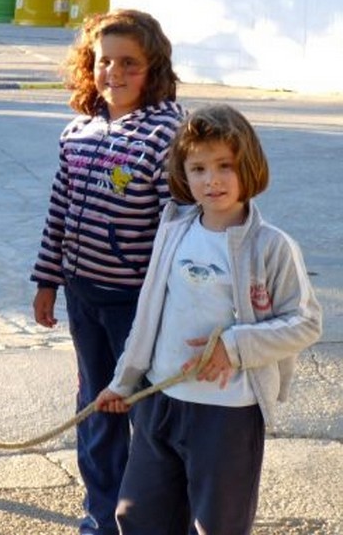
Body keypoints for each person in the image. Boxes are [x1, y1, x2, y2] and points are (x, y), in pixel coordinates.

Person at [95, 104, 322, 535]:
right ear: (183, 172)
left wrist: (233, 347)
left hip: (227, 414)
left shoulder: (272, 246)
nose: (211, 180)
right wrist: (125, 381)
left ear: (249, 168)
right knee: (138, 517)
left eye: (225, 166)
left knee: (217, 525)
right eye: (197, 167)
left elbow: (306, 323)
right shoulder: (175, 229)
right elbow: (149, 314)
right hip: (160, 402)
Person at [30, 9, 186, 535]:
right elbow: (59, 209)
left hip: (137, 305)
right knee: (96, 405)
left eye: (130, 64)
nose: (113, 73)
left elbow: (180, 227)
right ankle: (102, 512)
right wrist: (48, 279)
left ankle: (148, 517)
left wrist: (181, 304)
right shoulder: (78, 132)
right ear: (87, 66)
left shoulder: (168, 135)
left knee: (144, 411)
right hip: (83, 296)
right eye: (103, 61)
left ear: (155, 69)